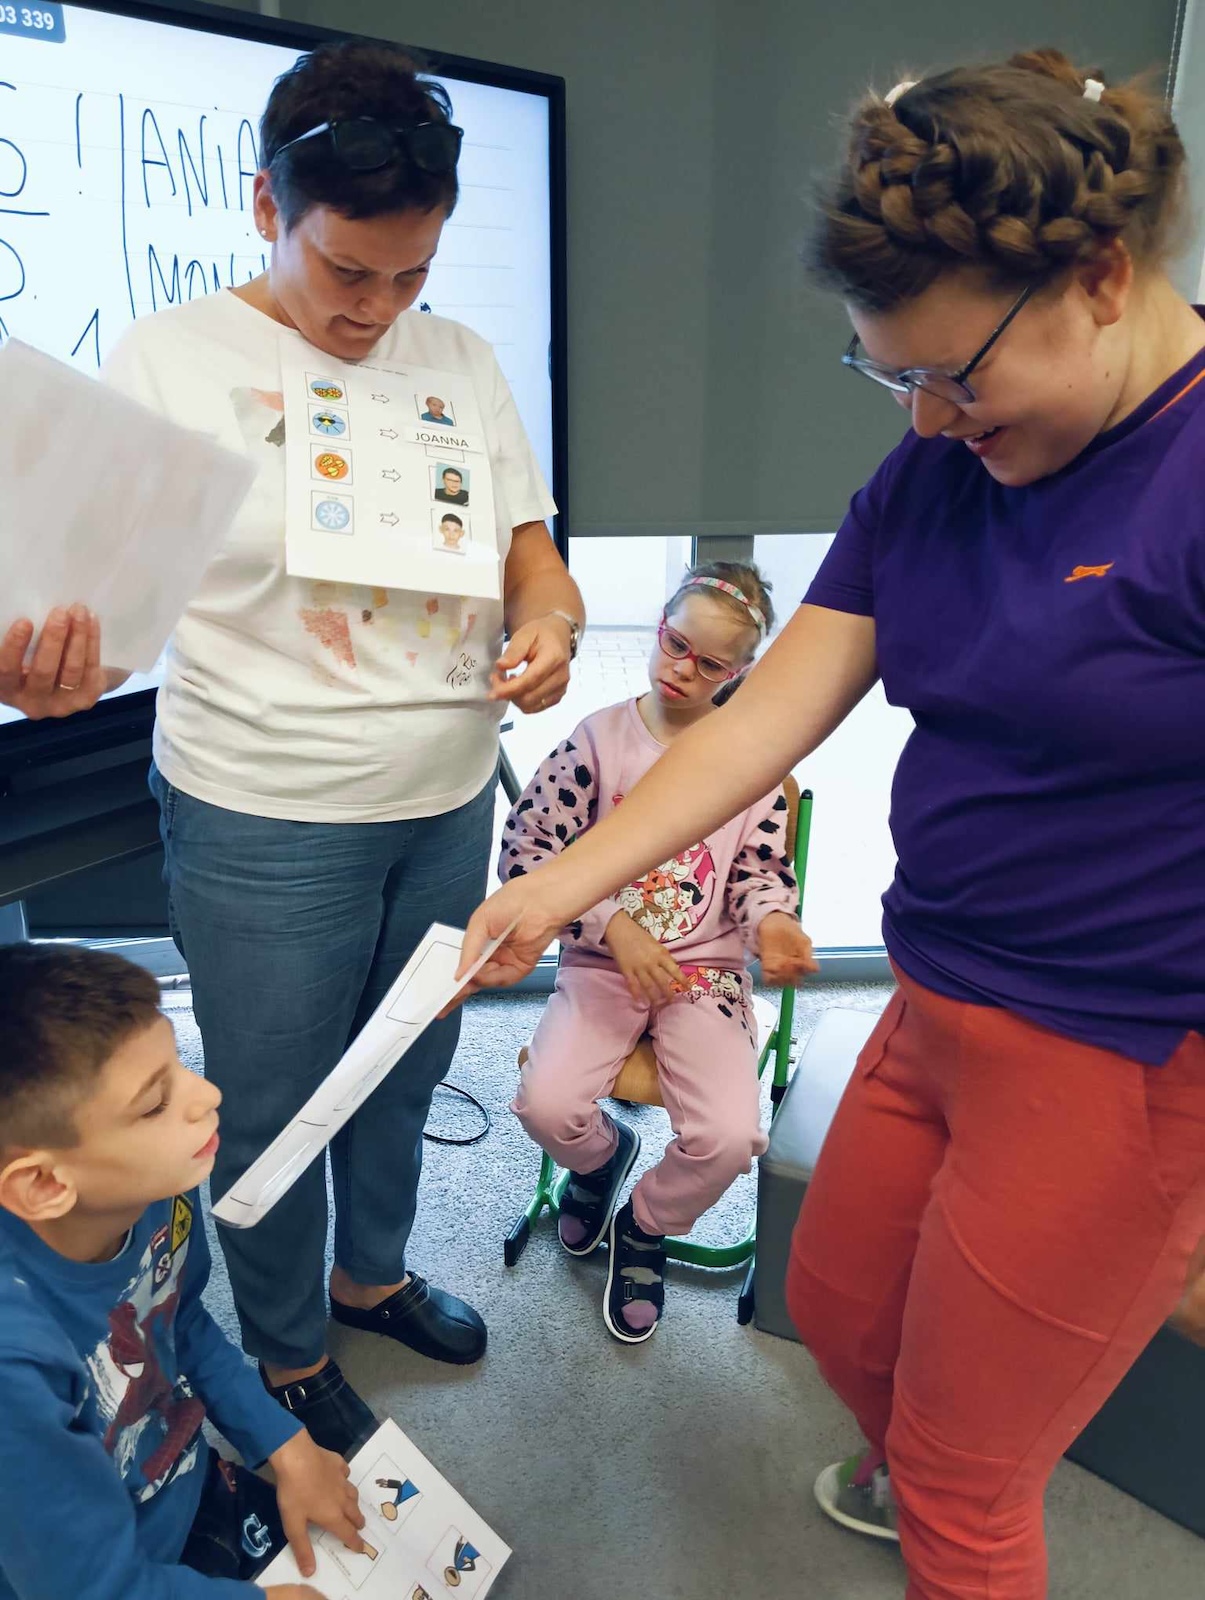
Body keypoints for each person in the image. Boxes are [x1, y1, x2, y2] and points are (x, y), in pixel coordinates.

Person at [456, 49, 1205, 1600]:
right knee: (851, 1326)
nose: (923, 420)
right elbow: (759, 726)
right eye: (889, 377)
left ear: (1101, 278)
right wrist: (552, 889)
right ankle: (915, 1460)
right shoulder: (934, 473)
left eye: (957, 376)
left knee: (963, 1485)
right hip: (935, 1003)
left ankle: (942, 1498)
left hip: (1118, 1053)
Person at [0, 41, 584, 1460]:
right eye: (347, 272)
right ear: (269, 208)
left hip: (446, 795)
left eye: (410, 276)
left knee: (407, 1064)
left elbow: (529, 553)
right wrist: (49, 664)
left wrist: (554, 620)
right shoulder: (173, 359)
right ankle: (284, 1346)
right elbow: (106, 621)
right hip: (263, 807)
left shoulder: (460, 360)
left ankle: (371, 1277)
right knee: (269, 1103)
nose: (376, 309)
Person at [502, 564, 817, 1341]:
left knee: (730, 1138)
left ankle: (645, 1223)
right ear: (658, 629)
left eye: (709, 664)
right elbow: (527, 852)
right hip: (602, 960)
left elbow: (758, 875)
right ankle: (599, 1161)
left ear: (738, 672)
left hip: (703, 973)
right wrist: (612, 924)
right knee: (545, 1107)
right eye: (675, 645)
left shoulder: (753, 764)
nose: (682, 669)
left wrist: (774, 922)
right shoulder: (596, 743)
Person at [0, 942, 365, 1600]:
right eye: (153, 1104)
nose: (207, 1096)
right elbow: (84, 1588)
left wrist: (281, 1442)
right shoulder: (13, 1364)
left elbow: (181, 1318)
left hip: (176, 1480)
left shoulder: (157, 1186)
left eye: (178, 1065)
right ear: (45, 1184)